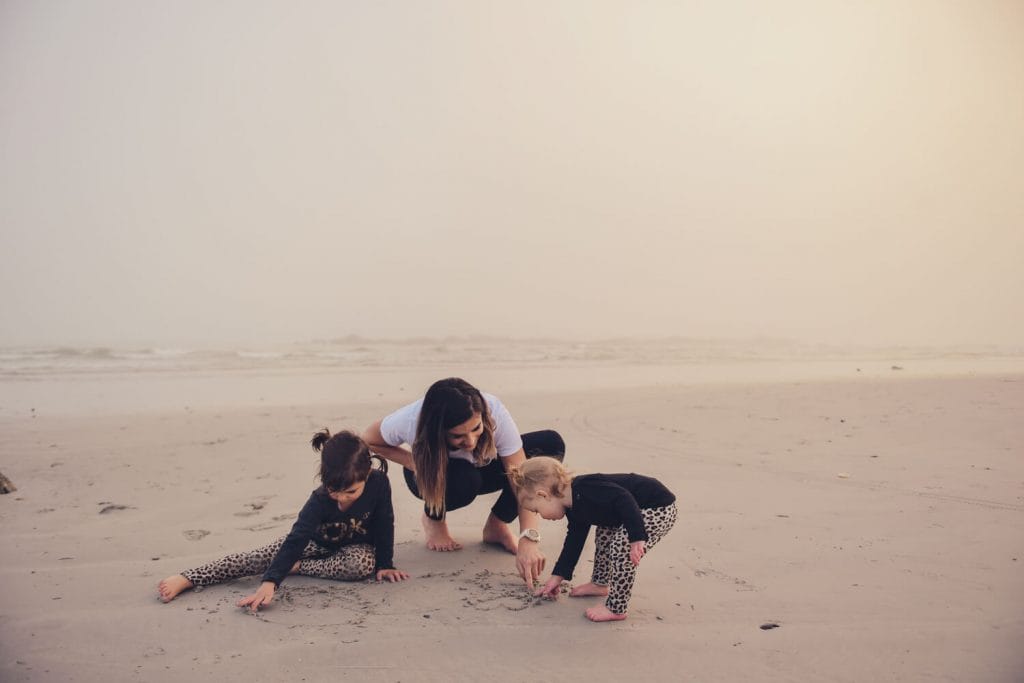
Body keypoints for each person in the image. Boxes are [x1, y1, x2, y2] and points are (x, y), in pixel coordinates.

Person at [158, 429, 409, 612]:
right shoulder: (319, 500)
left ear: (366, 474)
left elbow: (385, 521)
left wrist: (385, 563)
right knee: (259, 557)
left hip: (355, 548)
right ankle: (189, 578)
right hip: (315, 543)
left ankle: (299, 567)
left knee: (363, 565)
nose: (342, 499)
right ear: (324, 479)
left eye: (351, 492)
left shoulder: (379, 484)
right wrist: (270, 581)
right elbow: (297, 538)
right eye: (335, 490)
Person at [362, 377, 565, 588]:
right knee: (465, 480)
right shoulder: (411, 420)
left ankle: (497, 526)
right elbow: (370, 438)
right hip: (436, 477)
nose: (470, 441)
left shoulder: (493, 411)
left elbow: (523, 479)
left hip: (480, 467)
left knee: (550, 446)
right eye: (458, 436)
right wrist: (417, 463)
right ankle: (434, 517)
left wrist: (528, 540)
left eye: (476, 429)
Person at [508, 456, 677, 622]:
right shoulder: (573, 507)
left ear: (543, 495)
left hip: (656, 507)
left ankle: (616, 608)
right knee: (604, 534)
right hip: (629, 512)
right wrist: (557, 577)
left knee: (621, 546)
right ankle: (600, 583)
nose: (540, 516)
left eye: (536, 510)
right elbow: (574, 541)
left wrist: (636, 537)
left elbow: (624, 498)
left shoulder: (587, 488)